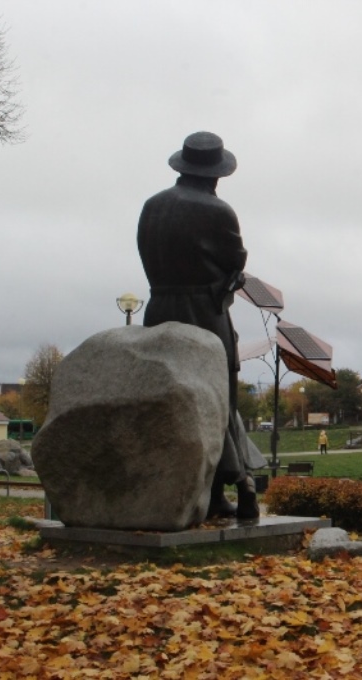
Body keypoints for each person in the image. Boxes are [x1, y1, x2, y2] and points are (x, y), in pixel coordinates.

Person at [137, 131, 266, 520]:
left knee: (170, 400)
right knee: (218, 401)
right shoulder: (218, 212)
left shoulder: (152, 205)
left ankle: (197, 489)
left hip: (159, 308)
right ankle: (235, 484)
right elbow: (235, 260)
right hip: (204, 312)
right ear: (215, 174)